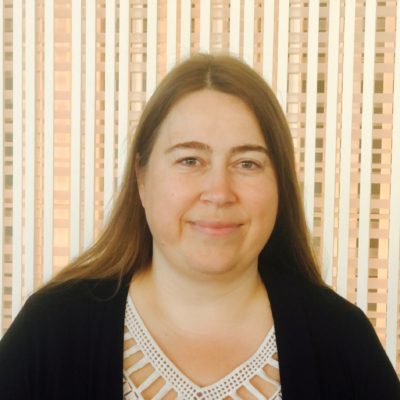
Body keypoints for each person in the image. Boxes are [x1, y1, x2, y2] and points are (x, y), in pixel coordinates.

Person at [0, 53, 399, 400]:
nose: (219, 192)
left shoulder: (343, 343)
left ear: (280, 184)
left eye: (248, 163)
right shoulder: (49, 333)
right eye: (190, 160)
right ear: (141, 178)